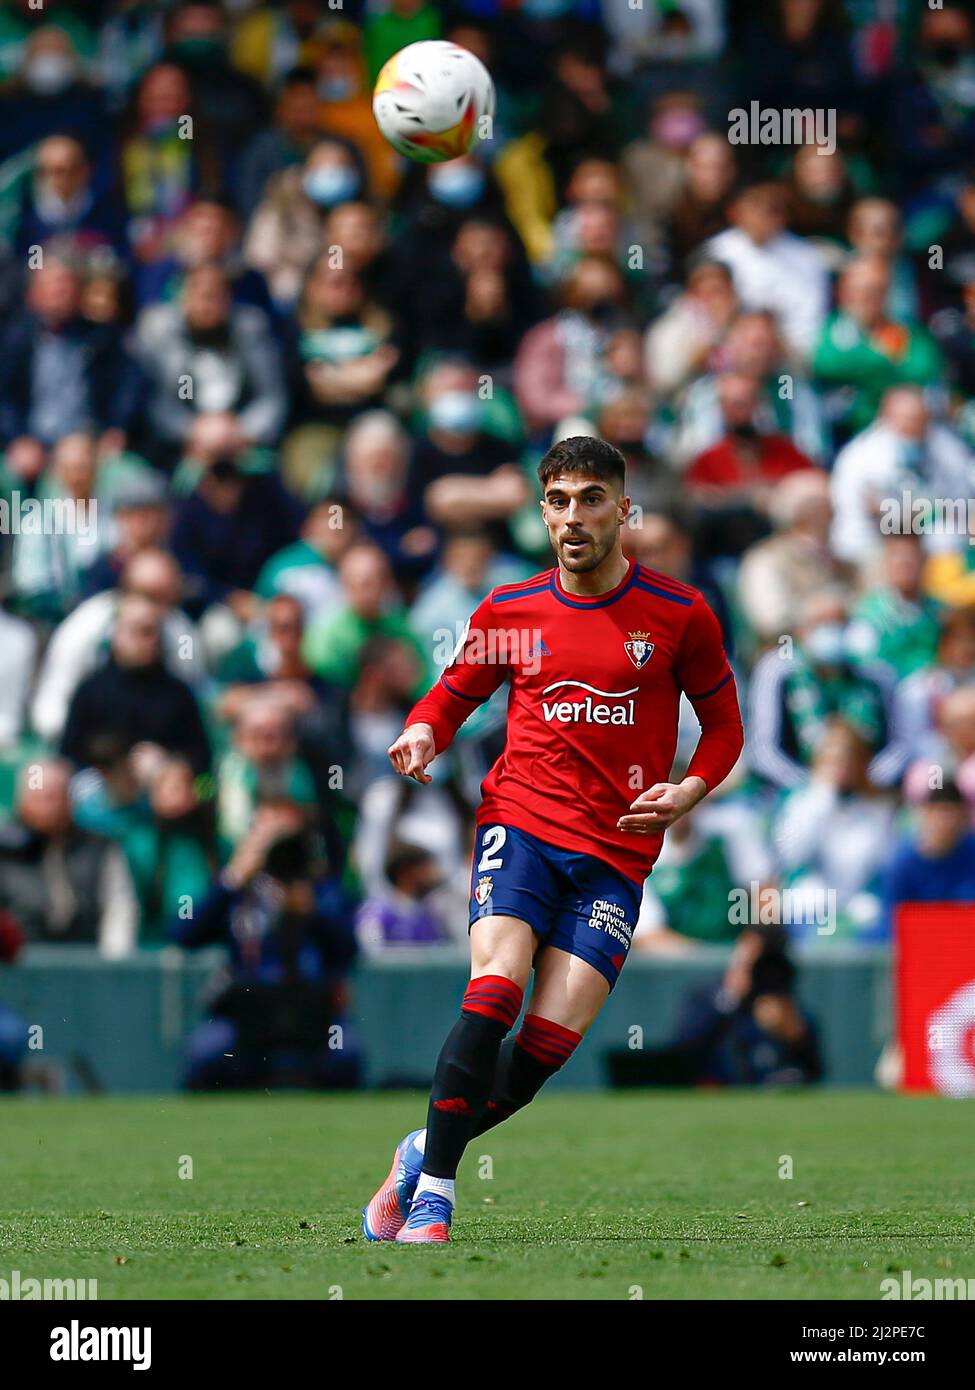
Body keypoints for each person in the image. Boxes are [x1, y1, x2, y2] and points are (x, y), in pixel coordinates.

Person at [360, 436, 743, 1243]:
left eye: (592, 499)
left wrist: (690, 791)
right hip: (523, 825)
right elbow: (450, 693)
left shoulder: (679, 614)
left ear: (622, 510)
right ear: (542, 511)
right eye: (559, 500)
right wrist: (423, 732)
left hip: (616, 855)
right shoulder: (512, 610)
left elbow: (723, 728)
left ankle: (422, 1147)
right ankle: (434, 1196)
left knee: (541, 1053)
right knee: (494, 988)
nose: (574, 516)